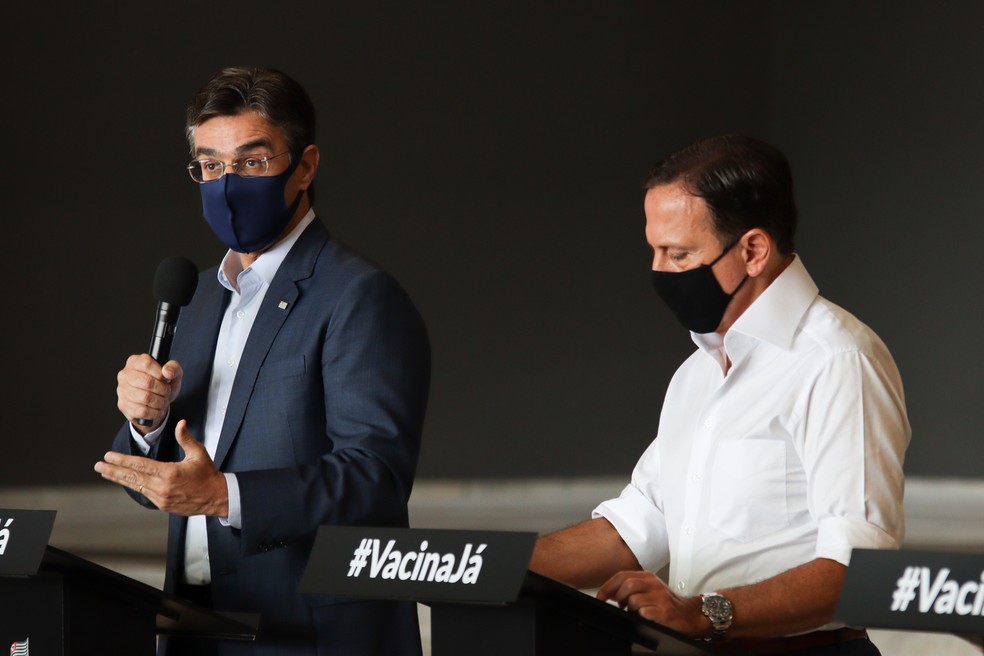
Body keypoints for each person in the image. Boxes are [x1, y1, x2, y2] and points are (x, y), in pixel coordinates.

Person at [529, 135, 910, 655]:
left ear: (753, 250)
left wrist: (705, 612)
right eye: (654, 251)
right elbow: (640, 524)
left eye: (678, 253)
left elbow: (863, 571)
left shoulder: (837, 360)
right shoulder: (698, 373)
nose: (659, 271)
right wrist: (485, 566)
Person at [94, 67, 430, 655]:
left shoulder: (358, 295)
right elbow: (171, 483)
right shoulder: (195, 299)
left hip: (310, 631)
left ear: (304, 166)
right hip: (196, 620)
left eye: (251, 162)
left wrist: (226, 496)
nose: (227, 182)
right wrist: (147, 426)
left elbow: (375, 477)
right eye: (211, 164)